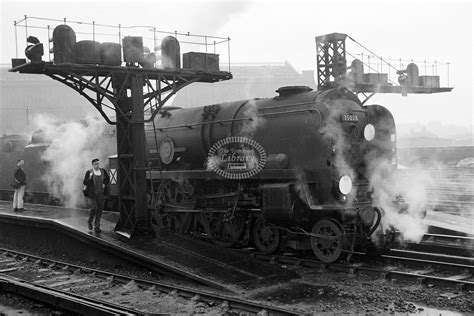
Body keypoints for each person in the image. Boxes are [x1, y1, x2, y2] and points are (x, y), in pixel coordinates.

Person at [83, 158, 110, 232]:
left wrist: (104, 183)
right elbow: (85, 182)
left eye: (98, 163)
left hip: (101, 193)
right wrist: (90, 178)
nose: (97, 165)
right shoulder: (89, 172)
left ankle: (97, 226)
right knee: (93, 208)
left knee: (100, 210)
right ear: (92, 165)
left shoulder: (102, 171)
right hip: (93, 194)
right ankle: (90, 221)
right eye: (96, 164)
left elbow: (107, 178)